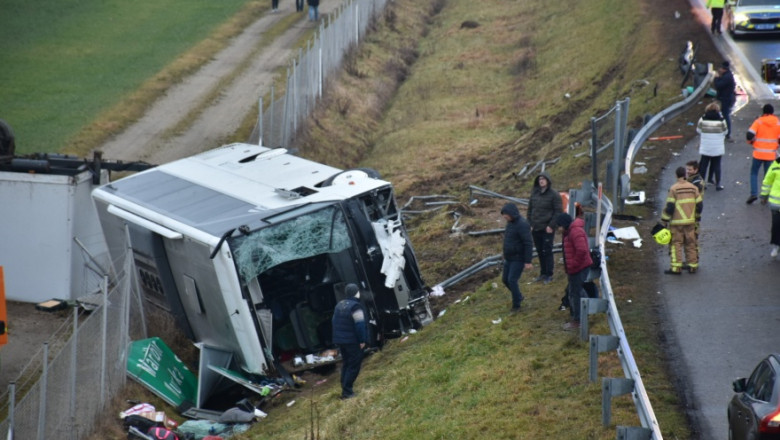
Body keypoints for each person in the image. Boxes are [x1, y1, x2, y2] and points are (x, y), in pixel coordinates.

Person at [661, 167, 703, 274]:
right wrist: (697, 217)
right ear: (686, 175)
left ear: (676, 175)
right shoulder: (693, 188)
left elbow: (669, 207)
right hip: (690, 221)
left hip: (677, 222)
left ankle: (676, 268)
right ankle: (693, 266)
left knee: (676, 244)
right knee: (691, 243)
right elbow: (700, 205)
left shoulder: (674, 189)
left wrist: (664, 220)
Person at [556, 212, 592, 331]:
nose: (558, 229)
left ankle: (578, 320)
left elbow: (582, 251)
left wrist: (573, 265)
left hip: (579, 268)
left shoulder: (575, 232)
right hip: (576, 268)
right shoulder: (569, 232)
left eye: (559, 226)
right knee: (575, 291)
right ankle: (588, 310)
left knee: (574, 293)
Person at [332, 283, 368, 399]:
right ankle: (347, 392)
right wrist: (362, 340)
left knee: (346, 363)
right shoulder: (356, 307)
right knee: (354, 365)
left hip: (341, 341)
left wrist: (338, 338)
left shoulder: (339, 305)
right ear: (356, 292)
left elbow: (334, 322)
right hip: (352, 341)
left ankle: (344, 385)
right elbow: (360, 325)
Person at [527, 172, 562, 284]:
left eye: (543, 179)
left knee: (547, 251)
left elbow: (558, 212)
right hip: (536, 227)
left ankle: (549, 274)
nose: (541, 181)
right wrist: (530, 223)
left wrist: (551, 226)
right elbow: (530, 210)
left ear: (548, 180)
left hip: (547, 228)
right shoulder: (534, 193)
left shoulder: (554, 194)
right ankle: (542, 273)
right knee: (539, 251)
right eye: (539, 179)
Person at [499, 203, 534, 313]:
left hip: (518, 258)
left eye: (506, 214)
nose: (505, 217)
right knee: (505, 280)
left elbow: (528, 243)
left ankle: (516, 305)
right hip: (509, 257)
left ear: (511, 213)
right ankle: (518, 296)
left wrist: (528, 261)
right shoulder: (510, 223)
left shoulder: (522, 225)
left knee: (512, 280)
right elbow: (508, 240)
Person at [746, 104, 780, 204]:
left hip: (758, 153)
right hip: (770, 154)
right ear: (772, 112)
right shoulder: (777, 123)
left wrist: (752, 142)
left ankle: (753, 193)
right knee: (768, 176)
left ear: (763, 112)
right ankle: (765, 196)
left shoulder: (758, 122)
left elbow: (749, 135)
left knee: (754, 173)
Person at [696, 102, 728, 191]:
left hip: (706, 146)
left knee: (704, 166)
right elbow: (725, 131)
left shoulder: (702, 119)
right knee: (717, 165)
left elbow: (698, 130)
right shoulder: (721, 120)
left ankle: (702, 184)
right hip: (717, 147)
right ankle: (718, 184)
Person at [760, 157, 780, 258]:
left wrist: (764, 196)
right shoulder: (775, 166)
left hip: (776, 203)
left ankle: (776, 246)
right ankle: (777, 245)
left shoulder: (775, 166)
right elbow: (768, 181)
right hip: (776, 204)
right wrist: (764, 195)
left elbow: (767, 181)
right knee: (776, 225)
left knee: (776, 225)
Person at [713, 61, 736, 140]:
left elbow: (718, 86)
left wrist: (716, 78)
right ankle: (725, 132)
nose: (719, 70)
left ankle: (727, 133)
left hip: (725, 99)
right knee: (724, 115)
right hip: (725, 98)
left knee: (725, 115)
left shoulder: (727, 77)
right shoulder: (727, 76)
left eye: (720, 68)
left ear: (724, 69)